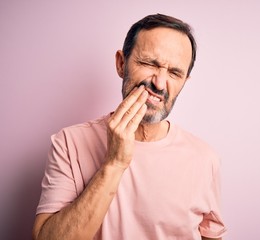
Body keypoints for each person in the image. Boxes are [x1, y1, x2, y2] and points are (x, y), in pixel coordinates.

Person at [32, 13, 227, 240]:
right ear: (121, 63)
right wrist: (114, 163)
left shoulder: (205, 158)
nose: (159, 83)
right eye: (148, 63)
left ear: (184, 81)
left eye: (175, 73)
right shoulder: (69, 143)